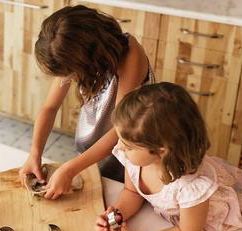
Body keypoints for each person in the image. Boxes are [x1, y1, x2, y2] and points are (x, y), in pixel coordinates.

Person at [92, 82, 242, 231]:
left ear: (161, 151)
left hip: (235, 207)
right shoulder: (134, 160)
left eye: (128, 146)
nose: (119, 147)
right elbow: (132, 192)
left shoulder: (190, 186)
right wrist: (115, 218)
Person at [19, 5, 156, 198]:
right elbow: (50, 107)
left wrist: (70, 168)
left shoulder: (130, 55)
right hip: (92, 153)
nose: (71, 79)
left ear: (88, 57)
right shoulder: (72, 55)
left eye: (72, 74)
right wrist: (34, 153)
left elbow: (122, 129)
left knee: (127, 196)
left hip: (132, 152)